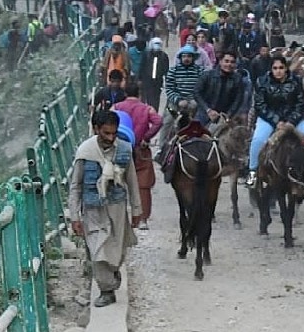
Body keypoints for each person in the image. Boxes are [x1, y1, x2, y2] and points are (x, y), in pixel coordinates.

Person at [68, 109, 141, 307]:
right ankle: (107, 290)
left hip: (117, 206)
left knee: (117, 249)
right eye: (106, 133)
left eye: (113, 133)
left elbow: (132, 182)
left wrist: (136, 210)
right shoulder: (85, 153)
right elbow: (75, 186)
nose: (110, 137)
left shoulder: (124, 150)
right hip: (93, 209)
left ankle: (112, 272)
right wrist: (74, 216)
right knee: (98, 250)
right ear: (96, 129)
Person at [246, 55, 304, 185]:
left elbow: (300, 104)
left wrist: (291, 122)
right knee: (258, 140)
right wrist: (276, 121)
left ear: (286, 68)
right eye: (275, 68)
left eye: (281, 68)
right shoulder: (262, 81)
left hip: (293, 119)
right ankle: (252, 171)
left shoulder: (296, 81)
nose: (278, 71)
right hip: (268, 119)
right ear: (271, 69)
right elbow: (260, 105)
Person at [113, 80, 162, 228]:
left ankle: (119, 218)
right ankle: (142, 219)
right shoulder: (147, 109)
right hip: (140, 148)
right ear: (139, 93)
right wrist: (147, 137)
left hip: (119, 147)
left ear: (125, 93)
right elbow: (158, 121)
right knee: (143, 185)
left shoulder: (117, 107)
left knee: (116, 180)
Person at [157, 45, 204, 148]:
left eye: (189, 56)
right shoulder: (173, 71)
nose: (186, 59)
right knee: (167, 122)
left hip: (193, 103)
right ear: (180, 58)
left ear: (193, 58)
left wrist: (193, 99)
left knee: (200, 123)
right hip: (175, 103)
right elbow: (169, 89)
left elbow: (201, 89)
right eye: (184, 56)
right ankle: (161, 148)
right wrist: (178, 100)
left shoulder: (199, 71)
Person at [195, 51, 249, 131]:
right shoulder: (207, 75)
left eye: (232, 62)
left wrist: (228, 115)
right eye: (226, 61)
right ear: (220, 62)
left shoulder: (238, 79)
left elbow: (238, 100)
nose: (229, 64)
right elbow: (196, 92)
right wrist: (208, 110)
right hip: (204, 113)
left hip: (224, 116)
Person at [140, 37, 169, 111]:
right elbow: (142, 67)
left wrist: (167, 81)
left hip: (158, 81)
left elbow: (166, 69)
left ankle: (155, 112)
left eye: (159, 44)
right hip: (148, 81)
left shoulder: (164, 56)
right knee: (149, 98)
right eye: (155, 44)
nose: (157, 46)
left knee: (156, 99)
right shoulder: (146, 55)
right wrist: (140, 79)